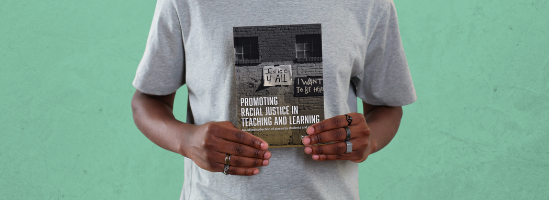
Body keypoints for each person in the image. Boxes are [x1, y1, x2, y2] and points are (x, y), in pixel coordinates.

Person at [130, 0, 416, 199]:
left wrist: (371, 139)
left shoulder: (370, 4)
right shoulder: (185, 2)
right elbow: (146, 101)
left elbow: (387, 106)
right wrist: (187, 140)